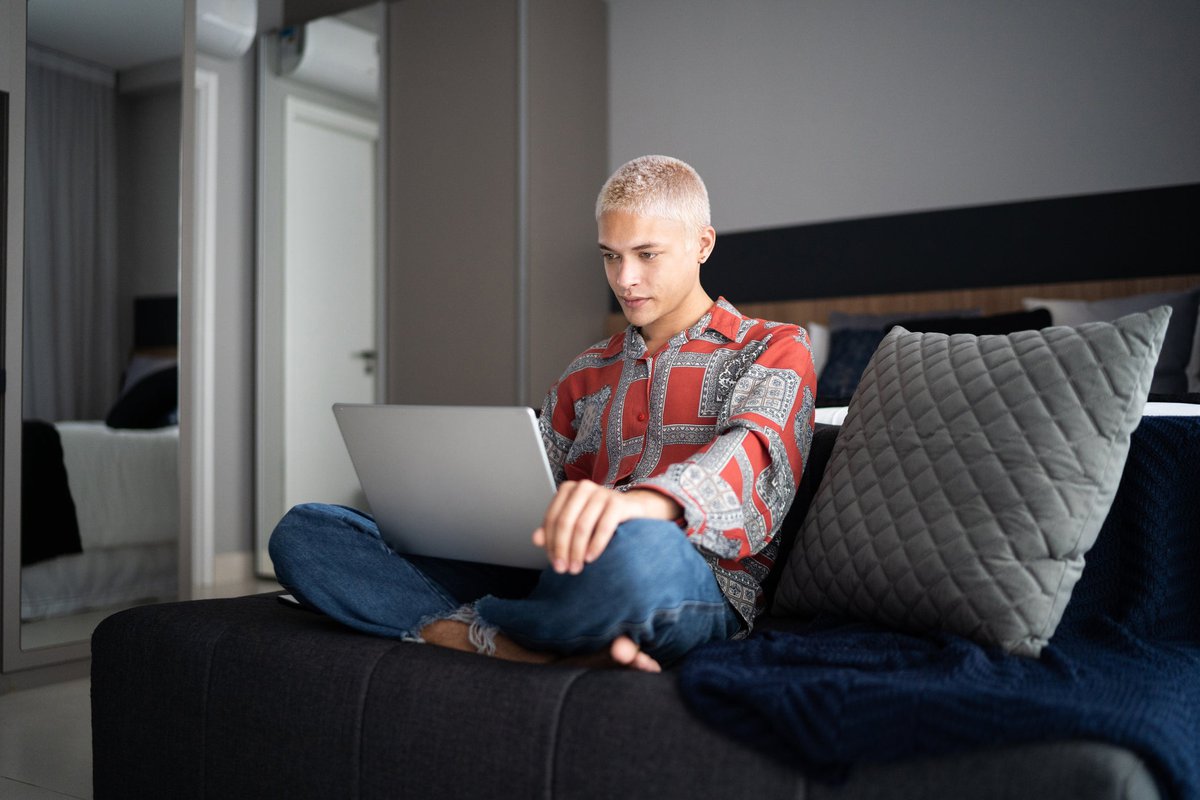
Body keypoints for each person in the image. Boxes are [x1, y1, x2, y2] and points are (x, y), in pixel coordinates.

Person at [269, 155, 817, 672]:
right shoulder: (585, 371)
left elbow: (754, 457)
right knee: (307, 531)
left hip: (686, 578)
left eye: (646, 254)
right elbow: (532, 495)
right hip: (556, 573)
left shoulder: (772, 348)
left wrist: (636, 507)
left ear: (703, 244)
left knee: (639, 552)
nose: (624, 279)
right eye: (610, 255)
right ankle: (522, 647)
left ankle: (468, 626)